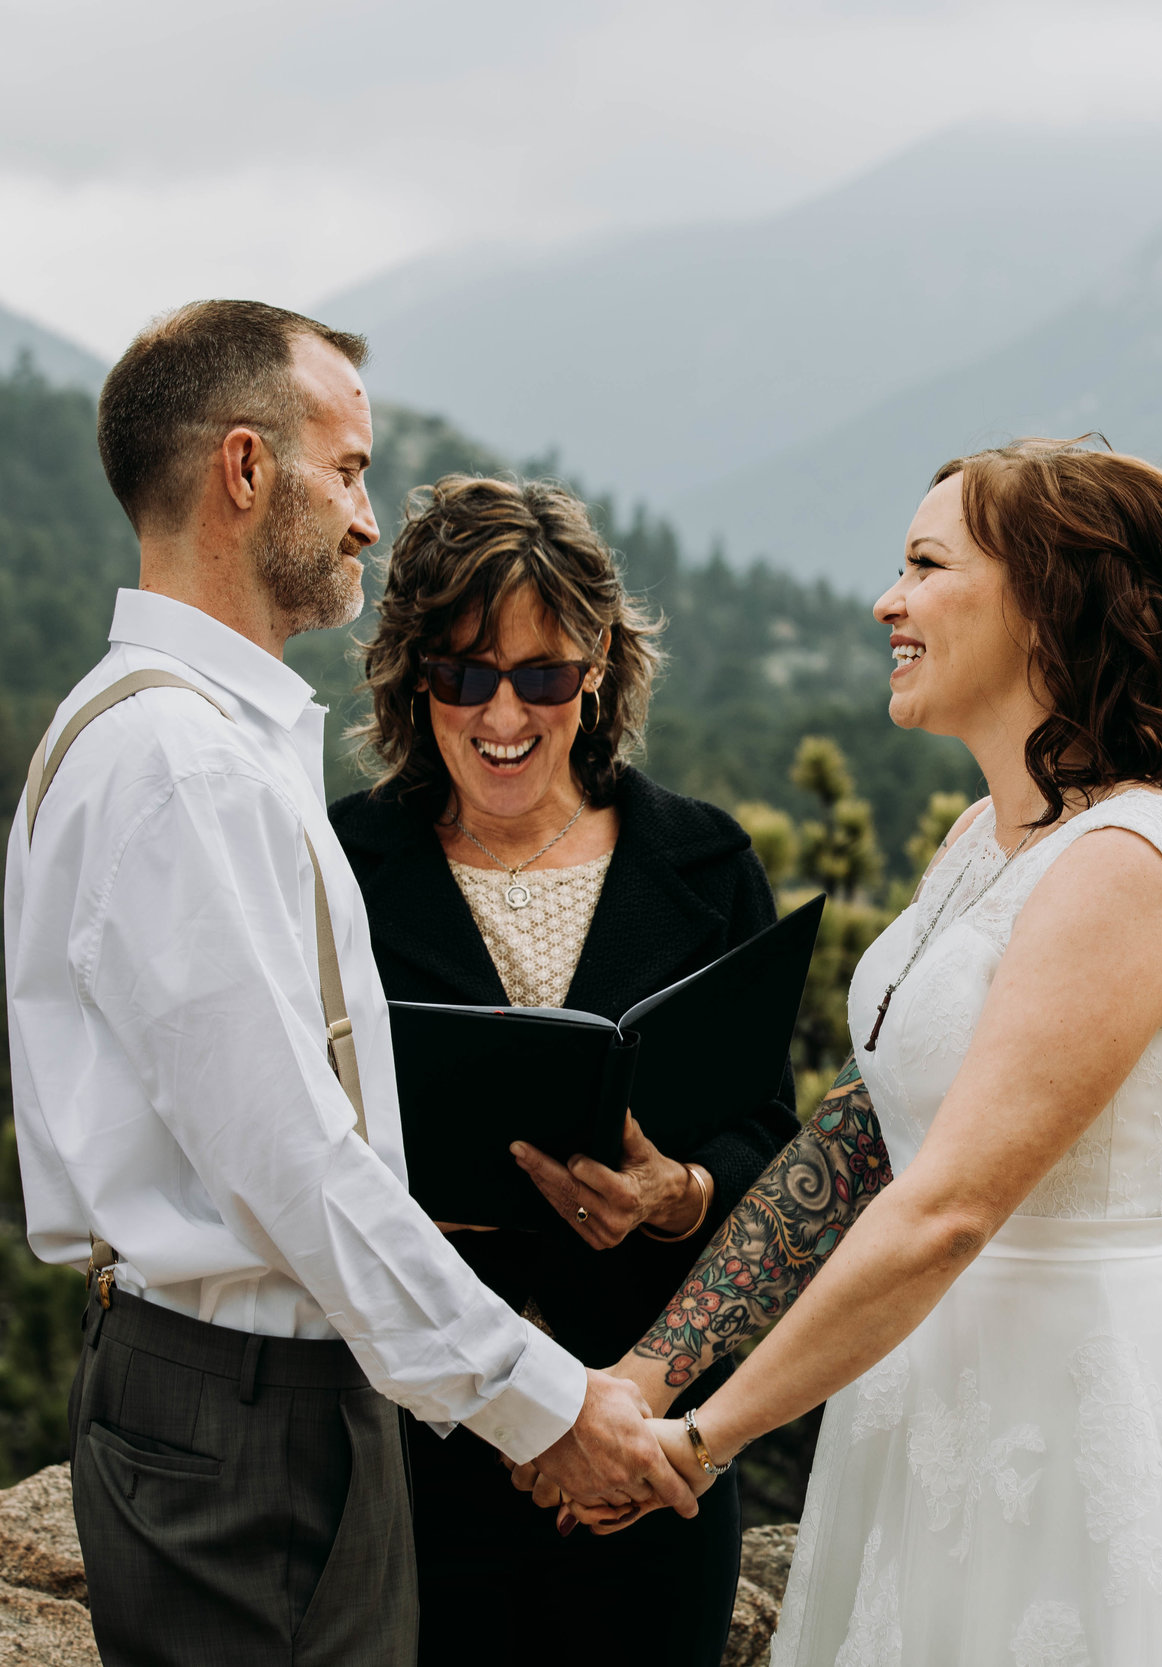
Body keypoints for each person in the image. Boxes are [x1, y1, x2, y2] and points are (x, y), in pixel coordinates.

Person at [558, 438, 1162, 1665]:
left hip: (1087, 1429)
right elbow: (871, 1129)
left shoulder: (1130, 864)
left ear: (1041, 601)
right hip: (926, 1405)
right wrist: (653, 1371)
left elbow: (949, 1205)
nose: (886, 600)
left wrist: (700, 1442)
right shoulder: (983, 837)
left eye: (924, 564)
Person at [5, 301, 692, 1667]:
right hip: (248, 1407)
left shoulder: (200, 741)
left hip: (288, 1388)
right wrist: (546, 1404)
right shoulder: (178, 767)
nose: (371, 520)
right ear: (247, 471)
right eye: (352, 468)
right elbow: (292, 1159)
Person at [328, 473, 797, 1665]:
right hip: (412, 1456)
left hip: (643, 1453)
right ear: (410, 675)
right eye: (463, 671)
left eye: (543, 673)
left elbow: (768, 1143)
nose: (503, 710)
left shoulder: (705, 862)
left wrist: (677, 1193)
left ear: (597, 672)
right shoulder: (337, 862)